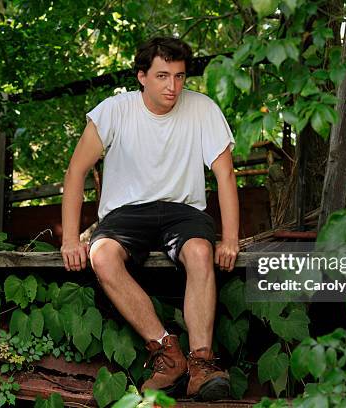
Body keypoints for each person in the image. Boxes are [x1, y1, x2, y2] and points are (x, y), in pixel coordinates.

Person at [60, 37, 240, 401]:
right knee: (102, 255)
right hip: (127, 214)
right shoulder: (115, 110)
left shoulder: (203, 109)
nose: (172, 86)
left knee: (201, 253)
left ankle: (202, 365)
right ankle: (166, 352)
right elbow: (77, 170)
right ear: (142, 76)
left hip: (183, 212)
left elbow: (226, 176)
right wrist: (68, 240)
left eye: (179, 76)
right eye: (162, 76)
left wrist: (232, 238)